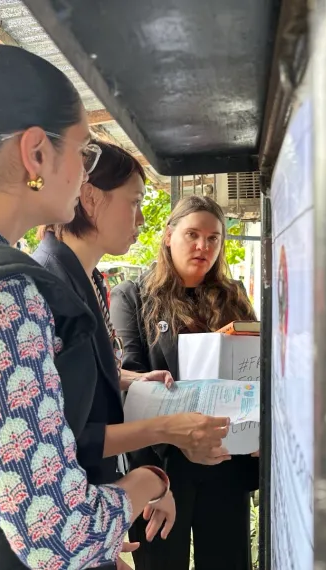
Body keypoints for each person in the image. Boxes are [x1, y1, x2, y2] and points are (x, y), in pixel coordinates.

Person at [0, 46, 174, 570]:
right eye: (84, 151)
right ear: (36, 153)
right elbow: (62, 537)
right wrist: (147, 481)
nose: (85, 173)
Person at [31, 139, 231, 490]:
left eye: (214, 238)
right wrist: (164, 430)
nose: (141, 218)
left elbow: (77, 375)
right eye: (135, 202)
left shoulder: (89, 279)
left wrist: (129, 378)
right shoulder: (46, 287)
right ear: (90, 197)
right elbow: (57, 435)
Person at [111, 195, 259, 570]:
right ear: (168, 236)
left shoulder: (234, 295)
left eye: (213, 238)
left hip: (226, 459)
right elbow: (131, 381)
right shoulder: (133, 296)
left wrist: (259, 432)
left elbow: (257, 370)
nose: (202, 246)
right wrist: (154, 473)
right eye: (192, 234)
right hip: (162, 465)